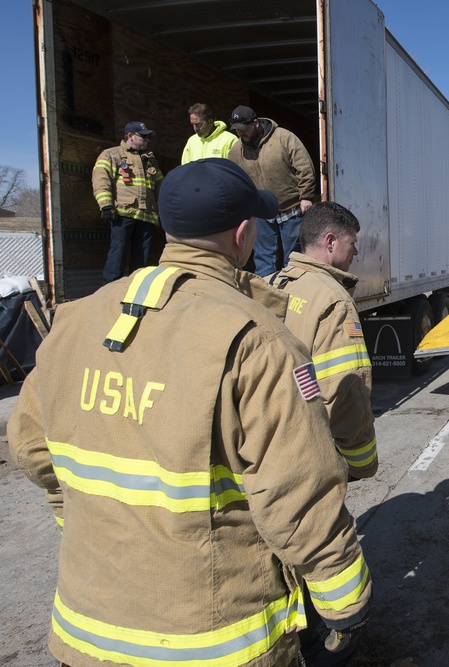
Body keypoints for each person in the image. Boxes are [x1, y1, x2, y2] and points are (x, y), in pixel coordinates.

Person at [10, 158, 372, 667]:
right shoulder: (258, 340)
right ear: (242, 234)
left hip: (85, 631)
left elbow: (30, 449)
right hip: (213, 640)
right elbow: (298, 491)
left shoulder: (74, 320)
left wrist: (81, 517)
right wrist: (344, 600)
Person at [268, 201, 378, 481]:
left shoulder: (273, 283)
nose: (355, 251)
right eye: (352, 242)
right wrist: (362, 461)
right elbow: (345, 391)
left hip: (268, 448)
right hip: (310, 458)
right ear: (330, 242)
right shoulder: (335, 301)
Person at [228, 104, 317, 276]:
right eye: (237, 130)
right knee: (263, 258)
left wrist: (306, 196)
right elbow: (234, 181)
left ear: (255, 123)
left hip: (290, 208)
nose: (241, 133)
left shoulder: (283, 138)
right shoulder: (236, 151)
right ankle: (267, 295)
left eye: (244, 129)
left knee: (293, 258)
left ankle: (293, 292)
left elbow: (304, 167)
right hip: (260, 211)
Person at [92, 120, 163, 283]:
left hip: (147, 217)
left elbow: (161, 187)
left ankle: (135, 295)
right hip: (123, 216)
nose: (147, 140)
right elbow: (101, 180)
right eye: (143, 136)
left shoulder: (150, 160)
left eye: (148, 137)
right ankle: (109, 294)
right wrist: (106, 206)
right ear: (130, 136)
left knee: (141, 266)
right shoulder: (111, 155)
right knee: (117, 257)